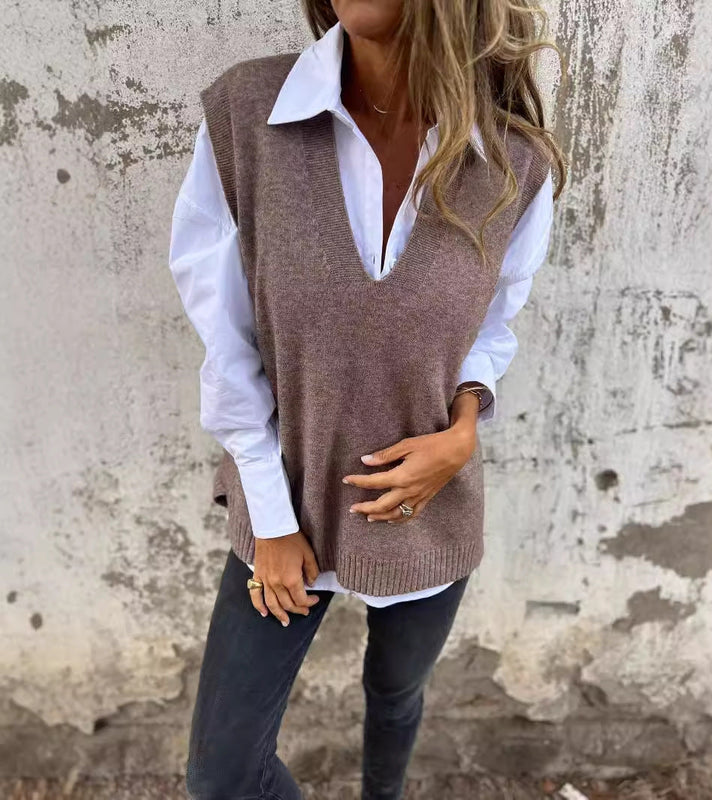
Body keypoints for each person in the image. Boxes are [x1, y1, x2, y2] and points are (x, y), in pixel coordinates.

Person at [168, 1, 566, 797]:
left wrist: (463, 429)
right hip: (284, 504)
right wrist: (272, 520)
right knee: (222, 778)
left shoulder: (512, 163)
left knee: (395, 695)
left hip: (427, 508)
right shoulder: (249, 116)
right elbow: (227, 341)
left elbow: (491, 327)